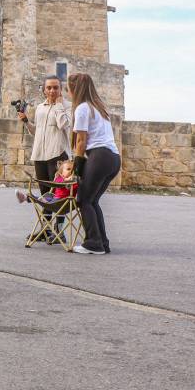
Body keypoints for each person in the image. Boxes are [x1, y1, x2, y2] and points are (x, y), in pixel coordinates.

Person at [66, 73, 121, 255]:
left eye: (68, 88)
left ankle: (93, 243)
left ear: (74, 89)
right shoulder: (99, 108)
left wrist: (78, 168)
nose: (68, 92)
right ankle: (102, 243)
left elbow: (81, 141)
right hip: (113, 158)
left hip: (100, 157)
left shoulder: (82, 108)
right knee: (93, 200)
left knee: (83, 199)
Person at [18, 75, 72, 197]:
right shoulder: (40, 108)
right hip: (39, 155)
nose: (52, 91)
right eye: (49, 88)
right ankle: (46, 217)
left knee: (59, 193)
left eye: (55, 87)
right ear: (44, 90)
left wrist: (58, 106)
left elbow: (64, 124)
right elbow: (36, 132)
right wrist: (26, 121)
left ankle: (58, 217)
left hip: (57, 154)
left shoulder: (68, 106)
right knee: (45, 192)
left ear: (60, 89)